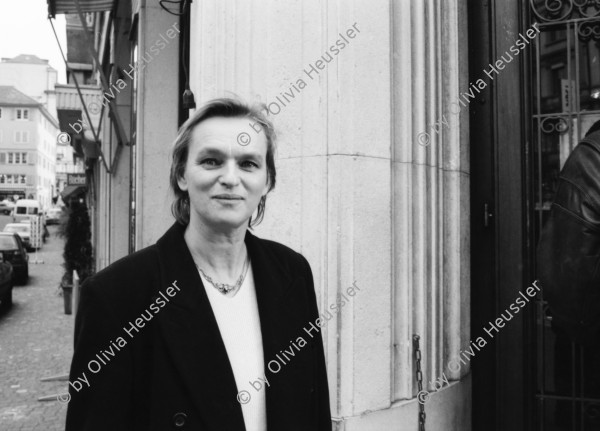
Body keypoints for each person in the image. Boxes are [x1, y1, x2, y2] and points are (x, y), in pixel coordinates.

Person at [65, 98, 332, 431]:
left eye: (248, 164)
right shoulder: (117, 296)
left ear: (267, 183)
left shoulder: (292, 273)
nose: (231, 178)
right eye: (211, 161)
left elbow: (315, 408)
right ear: (181, 175)